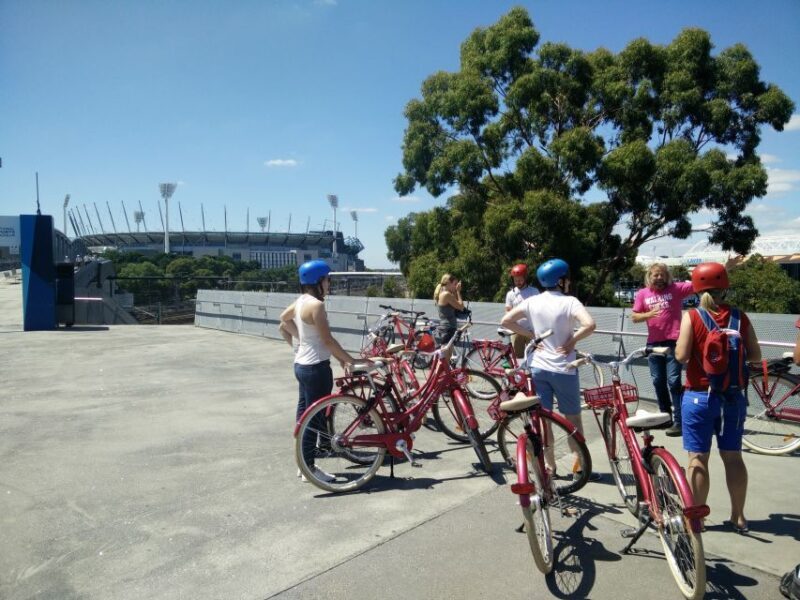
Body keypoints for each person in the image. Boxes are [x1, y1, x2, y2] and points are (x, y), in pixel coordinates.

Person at [675, 262, 761, 534]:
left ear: (697, 287)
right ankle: (739, 517)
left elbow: (681, 356)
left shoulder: (692, 317)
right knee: (733, 457)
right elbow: (756, 356)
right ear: (725, 286)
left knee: (698, 459)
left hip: (699, 397)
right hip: (733, 398)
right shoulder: (740, 317)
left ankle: (696, 520)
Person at [501, 258, 597, 480]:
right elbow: (590, 325)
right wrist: (572, 341)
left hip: (539, 368)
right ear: (561, 280)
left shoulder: (532, 301)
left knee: (543, 420)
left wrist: (532, 336)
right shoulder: (570, 301)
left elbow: (506, 321)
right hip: (564, 368)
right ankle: (580, 466)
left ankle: (550, 467)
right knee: (572, 419)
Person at [279, 260, 355, 483]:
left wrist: (301, 341)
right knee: (313, 419)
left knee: (304, 416)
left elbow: (283, 321)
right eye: (327, 279)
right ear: (318, 281)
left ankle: (302, 462)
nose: (329, 283)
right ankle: (309, 468)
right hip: (316, 370)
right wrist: (349, 360)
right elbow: (328, 341)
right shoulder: (317, 306)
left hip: (301, 366)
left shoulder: (302, 301)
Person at [631, 263, 695, 437]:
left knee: (674, 381)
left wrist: (726, 268)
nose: (659, 278)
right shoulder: (643, 293)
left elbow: (699, 283)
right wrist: (648, 315)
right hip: (653, 344)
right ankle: (665, 417)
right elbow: (634, 316)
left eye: (662, 275)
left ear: (667, 277)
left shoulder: (676, 289)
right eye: (655, 275)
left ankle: (680, 421)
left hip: (674, 342)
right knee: (658, 381)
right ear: (649, 277)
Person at [504, 263, 539, 359]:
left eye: (520, 280)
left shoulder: (534, 291)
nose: (518, 282)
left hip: (532, 330)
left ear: (525, 278)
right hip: (516, 330)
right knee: (517, 358)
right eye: (515, 280)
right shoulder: (510, 294)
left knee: (534, 357)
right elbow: (508, 311)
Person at [434, 273, 465, 349]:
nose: (456, 286)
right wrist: (458, 292)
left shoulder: (444, 293)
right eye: (455, 284)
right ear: (448, 283)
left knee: (446, 357)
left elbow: (455, 304)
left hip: (448, 327)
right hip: (448, 328)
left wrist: (455, 291)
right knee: (444, 358)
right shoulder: (446, 294)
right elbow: (461, 307)